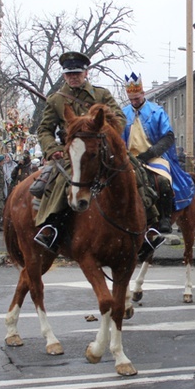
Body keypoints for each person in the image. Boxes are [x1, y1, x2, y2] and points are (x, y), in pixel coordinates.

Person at [32, 51, 127, 251]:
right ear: (65, 76)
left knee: (135, 173)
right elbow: (44, 130)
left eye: (77, 73)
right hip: (71, 154)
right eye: (69, 74)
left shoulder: (102, 95)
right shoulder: (56, 100)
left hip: (102, 150)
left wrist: (104, 128)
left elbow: (120, 119)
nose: (73, 77)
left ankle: (149, 225)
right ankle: (52, 226)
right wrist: (53, 149)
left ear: (86, 73)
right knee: (61, 180)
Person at [122, 72, 195, 235]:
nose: (134, 102)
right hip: (130, 159)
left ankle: (165, 217)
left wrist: (151, 153)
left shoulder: (156, 111)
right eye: (131, 99)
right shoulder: (123, 113)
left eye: (137, 98)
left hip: (154, 157)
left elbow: (168, 137)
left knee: (162, 181)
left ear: (142, 93)